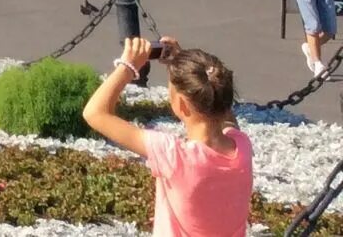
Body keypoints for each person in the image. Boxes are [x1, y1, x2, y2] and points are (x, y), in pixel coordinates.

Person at [81, 36, 251, 237]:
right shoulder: (241, 147)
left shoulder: (174, 155)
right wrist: (183, 64)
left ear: (180, 105)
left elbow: (94, 113)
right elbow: (225, 115)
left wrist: (128, 65)